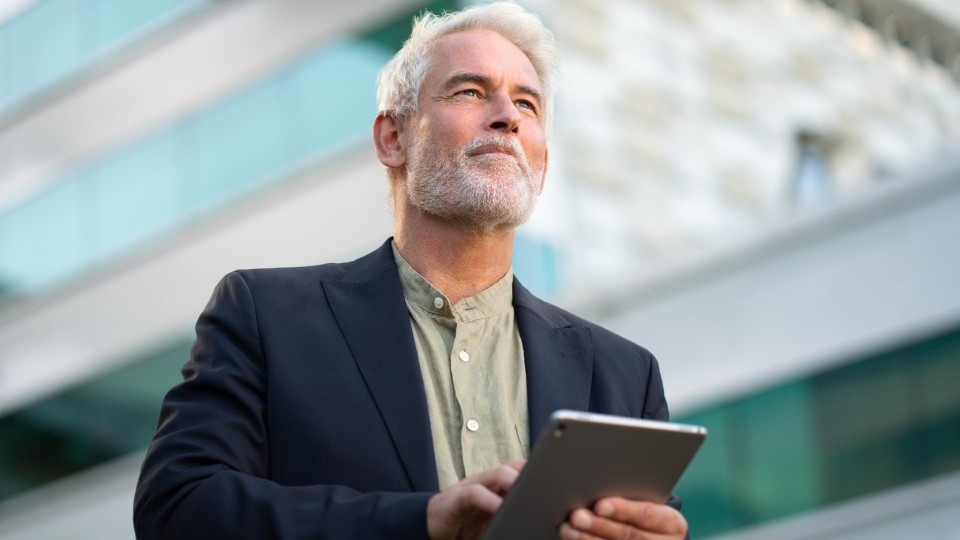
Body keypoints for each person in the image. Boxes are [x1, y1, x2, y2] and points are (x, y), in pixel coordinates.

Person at [133, 2, 688, 539]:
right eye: (471, 91)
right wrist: (419, 522)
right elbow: (179, 507)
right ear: (393, 138)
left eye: (528, 104)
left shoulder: (624, 374)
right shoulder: (264, 314)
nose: (507, 118)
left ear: (543, 162)